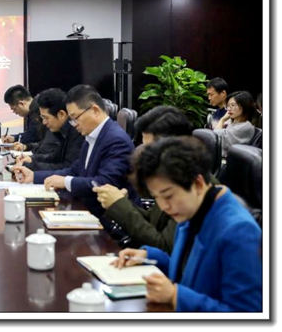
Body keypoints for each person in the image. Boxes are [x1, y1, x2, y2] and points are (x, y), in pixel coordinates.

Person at [114, 136, 262, 312]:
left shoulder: (239, 231)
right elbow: (191, 272)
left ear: (197, 183)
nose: (164, 206)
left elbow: (246, 314)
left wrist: (176, 295)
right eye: (156, 197)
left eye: (168, 195)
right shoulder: (194, 209)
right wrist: (148, 256)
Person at [14, 85, 137, 221]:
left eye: (75, 118)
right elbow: (74, 170)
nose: (73, 124)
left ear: (95, 111)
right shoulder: (92, 135)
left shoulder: (116, 140)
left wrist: (66, 182)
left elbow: (104, 183)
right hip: (88, 209)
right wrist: (34, 176)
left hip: (107, 219)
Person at [93, 106, 193, 253]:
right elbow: (155, 221)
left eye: (150, 149)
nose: (146, 157)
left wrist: (119, 205)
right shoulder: (169, 175)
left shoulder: (189, 185)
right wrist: (120, 203)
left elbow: (164, 247)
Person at [12, 88, 84, 174]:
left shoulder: (77, 132)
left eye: (46, 118)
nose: (44, 122)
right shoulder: (63, 131)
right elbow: (55, 158)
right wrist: (31, 159)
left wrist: (32, 166)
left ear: (61, 114)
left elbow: (67, 167)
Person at [213, 90, 258, 156]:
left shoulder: (246, 126)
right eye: (228, 106)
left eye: (233, 105)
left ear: (244, 106)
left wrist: (222, 120)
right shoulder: (233, 122)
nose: (229, 109)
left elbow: (217, 137)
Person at [1, 85, 41, 150]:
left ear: (21, 103)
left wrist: (16, 139)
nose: (15, 112)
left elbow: (30, 138)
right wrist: (14, 138)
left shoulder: (38, 110)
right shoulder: (33, 109)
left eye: (14, 109)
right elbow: (30, 133)